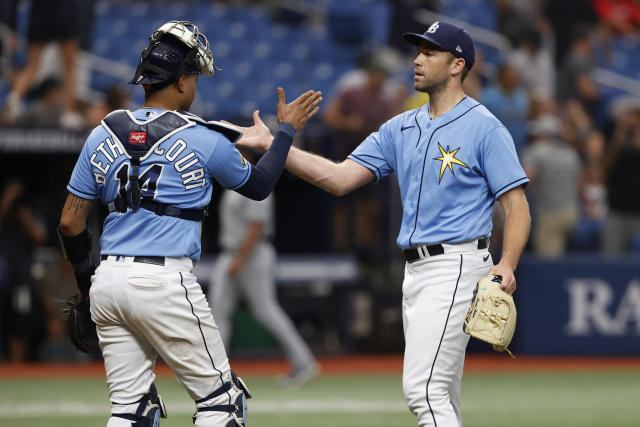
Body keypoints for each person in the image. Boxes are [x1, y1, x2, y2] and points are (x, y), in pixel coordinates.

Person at [231, 21, 531, 427]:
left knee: (423, 390)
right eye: (418, 50)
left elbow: (516, 206)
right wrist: (275, 143)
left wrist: (507, 262)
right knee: (442, 396)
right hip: (417, 271)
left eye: (430, 52)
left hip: (458, 266)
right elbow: (338, 178)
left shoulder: (484, 127)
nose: (417, 59)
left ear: (458, 64)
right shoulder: (399, 127)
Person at [57, 20, 321, 427]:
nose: (196, 86)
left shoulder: (102, 131)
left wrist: (85, 286)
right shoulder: (201, 136)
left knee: (130, 410)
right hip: (163, 282)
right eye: (194, 76)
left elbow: (71, 223)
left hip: (107, 281)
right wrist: (285, 132)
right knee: (222, 403)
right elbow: (261, 184)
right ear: (181, 82)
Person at [210, 185, 319, 387]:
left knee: (266, 310)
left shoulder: (257, 182)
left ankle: (303, 362)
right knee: (218, 311)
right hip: (230, 253)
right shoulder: (234, 182)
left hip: (251, 255)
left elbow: (256, 226)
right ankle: (215, 370)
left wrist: (240, 259)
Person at [522, 114, 582, 257]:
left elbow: (527, 180)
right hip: (572, 212)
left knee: (548, 261)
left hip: (550, 215)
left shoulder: (536, 150)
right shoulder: (570, 153)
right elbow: (578, 185)